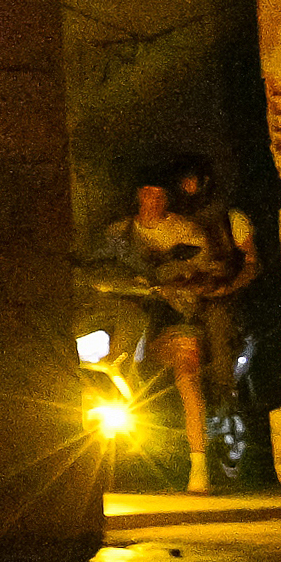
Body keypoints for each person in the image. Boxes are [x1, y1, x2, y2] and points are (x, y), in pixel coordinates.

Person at [87, 152, 252, 494]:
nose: (151, 201)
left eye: (159, 195)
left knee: (187, 377)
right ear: (138, 195)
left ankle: (199, 465)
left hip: (173, 315)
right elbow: (98, 266)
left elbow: (203, 271)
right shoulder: (120, 231)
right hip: (130, 315)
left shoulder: (187, 231)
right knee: (102, 368)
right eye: (146, 193)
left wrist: (178, 280)